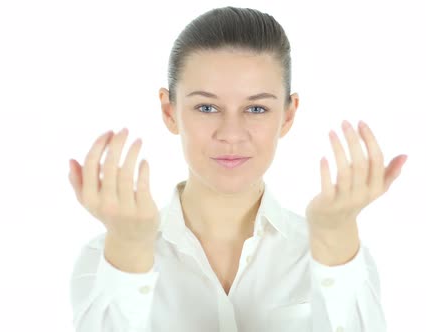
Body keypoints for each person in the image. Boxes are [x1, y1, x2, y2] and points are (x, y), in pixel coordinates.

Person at [68, 6, 407, 332]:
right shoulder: (104, 257)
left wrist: (334, 238)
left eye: (257, 109)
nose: (231, 133)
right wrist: (130, 250)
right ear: (169, 111)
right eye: (206, 106)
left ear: (288, 115)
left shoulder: (338, 256)